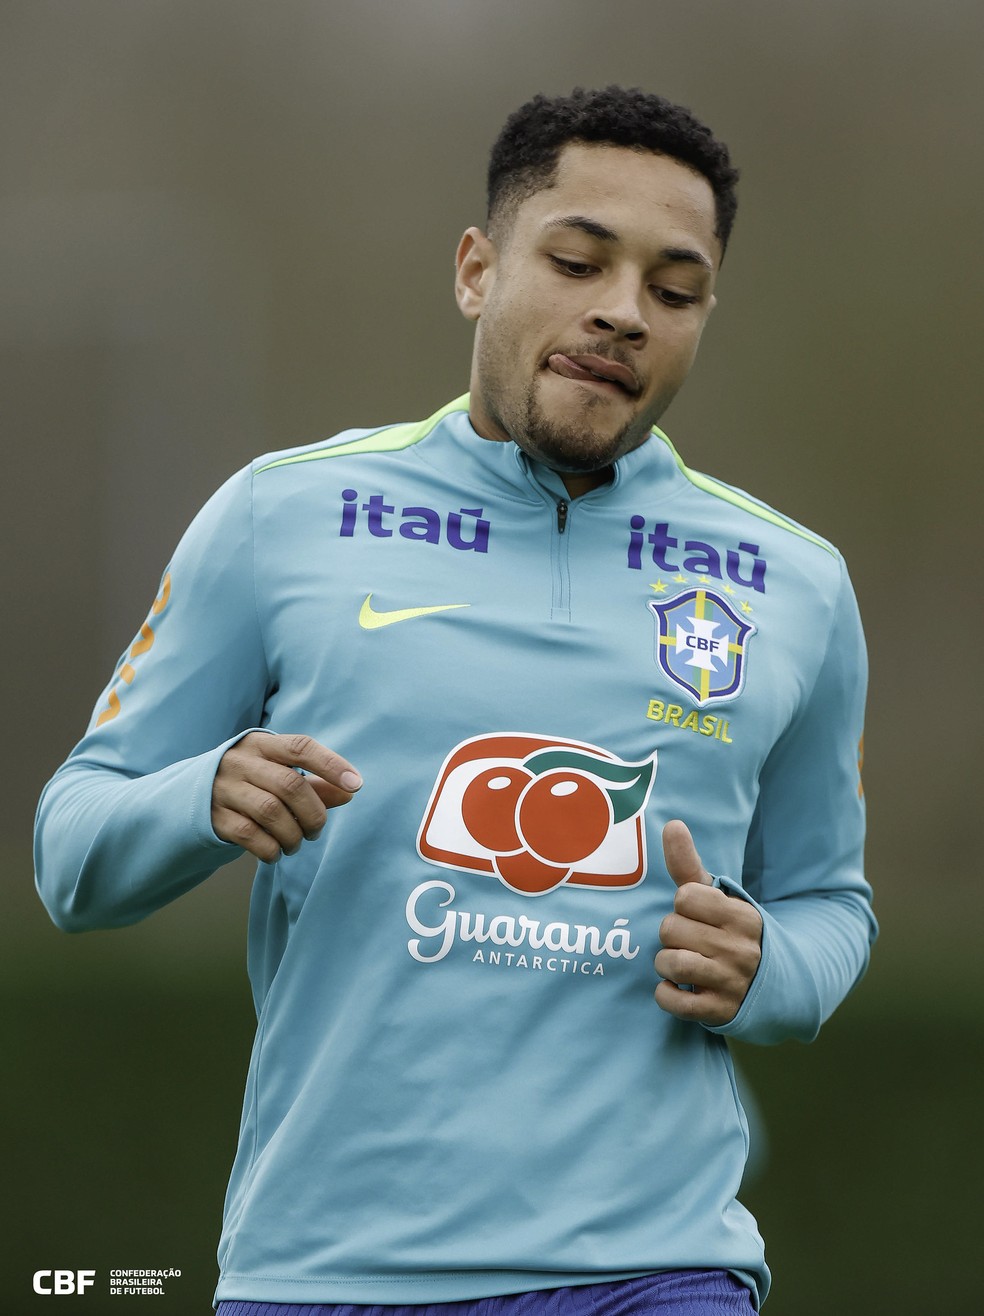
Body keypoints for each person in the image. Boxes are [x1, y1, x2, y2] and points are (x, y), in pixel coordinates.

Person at [34, 86, 876, 1314]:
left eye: (674, 288)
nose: (621, 311)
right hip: (325, 1270)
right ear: (478, 269)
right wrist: (197, 795)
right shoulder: (283, 516)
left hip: (657, 1267)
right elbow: (71, 851)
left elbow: (828, 904)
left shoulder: (796, 583)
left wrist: (772, 969)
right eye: (578, 259)